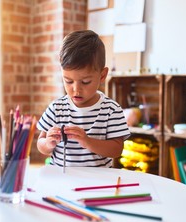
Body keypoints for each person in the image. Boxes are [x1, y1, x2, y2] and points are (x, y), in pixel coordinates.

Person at [37, 30, 130, 167]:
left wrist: (87, 141)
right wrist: (48, 143)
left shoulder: (111, 110)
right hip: (62, 180)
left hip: (96, 182)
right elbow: (41, 143)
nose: (76, 89)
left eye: (85, 82)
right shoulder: (57, 108)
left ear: (102, 76)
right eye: (68, 81)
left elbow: (117, 150)